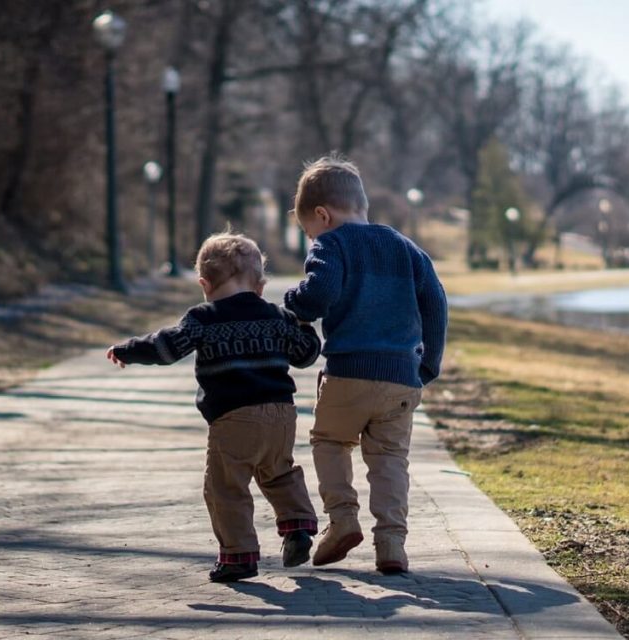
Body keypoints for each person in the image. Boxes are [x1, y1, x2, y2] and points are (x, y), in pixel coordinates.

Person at [106, 232, 321, 583]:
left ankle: (238, 556)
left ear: (204, 283)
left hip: (234, 417)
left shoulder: (203, 318)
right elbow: (306, 354)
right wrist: (304, 325)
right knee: (279, 472)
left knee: (225, 487)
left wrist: (129, 350)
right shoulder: (276, 316)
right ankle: (297, 527)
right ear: (260, 285)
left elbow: (167, 348)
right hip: (281, 415)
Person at [284, 155, 447, 574]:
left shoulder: (331, 244)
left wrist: (292, 302)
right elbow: (436, 303)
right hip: (400, 377)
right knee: (390, 458)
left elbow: (318, 295)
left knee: (330, 442)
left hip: (349, 372)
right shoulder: (405, 247)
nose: (311, 238)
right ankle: (391, 543)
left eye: (308, 231)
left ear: (323, 215)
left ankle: (342, 521)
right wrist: (428, 364)